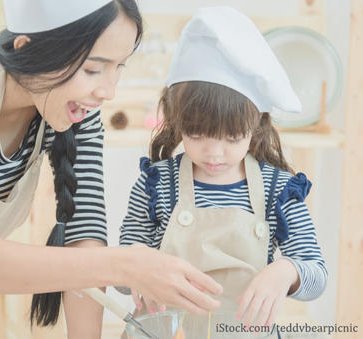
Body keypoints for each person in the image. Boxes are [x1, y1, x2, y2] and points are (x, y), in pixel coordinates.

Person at [0, 1, 223, 338]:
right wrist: (127, 264)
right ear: (27, 48)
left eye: (119, 67)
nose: (108, 91)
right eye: (93, 68)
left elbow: (86, 234)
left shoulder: (73, 107)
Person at [120, 6, 327, 338]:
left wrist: (285, 272)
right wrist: (136, 266)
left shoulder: (279, 189)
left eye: (232, 137)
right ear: (177, 122)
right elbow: (120, 274)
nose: (214, 153)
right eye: (197, 135)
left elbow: (316, 275)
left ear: (256, 125)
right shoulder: (156, 183)